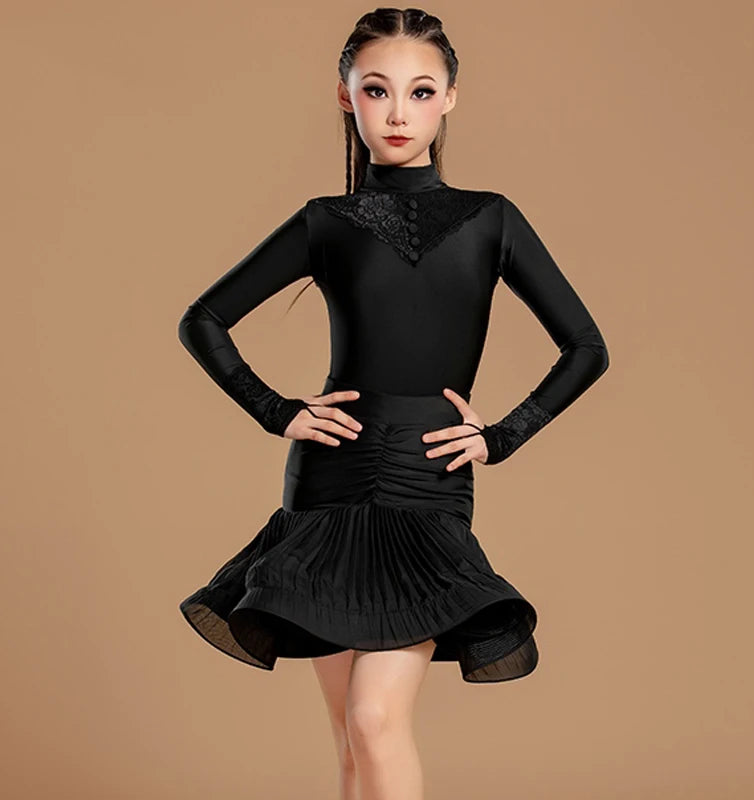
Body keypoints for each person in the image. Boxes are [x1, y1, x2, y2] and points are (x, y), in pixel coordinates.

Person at [177, 7, 609, 799]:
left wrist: (503, 435)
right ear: (346, 96)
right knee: (351, 743)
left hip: (425, 484)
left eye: (420, 91)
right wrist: (277, 410)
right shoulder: (327, 223)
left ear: (451, 99)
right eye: (377, 90)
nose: (399, 112)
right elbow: (202, 319)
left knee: (376, 720)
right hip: (326, 485)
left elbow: (586, 346)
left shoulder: (490, 219)